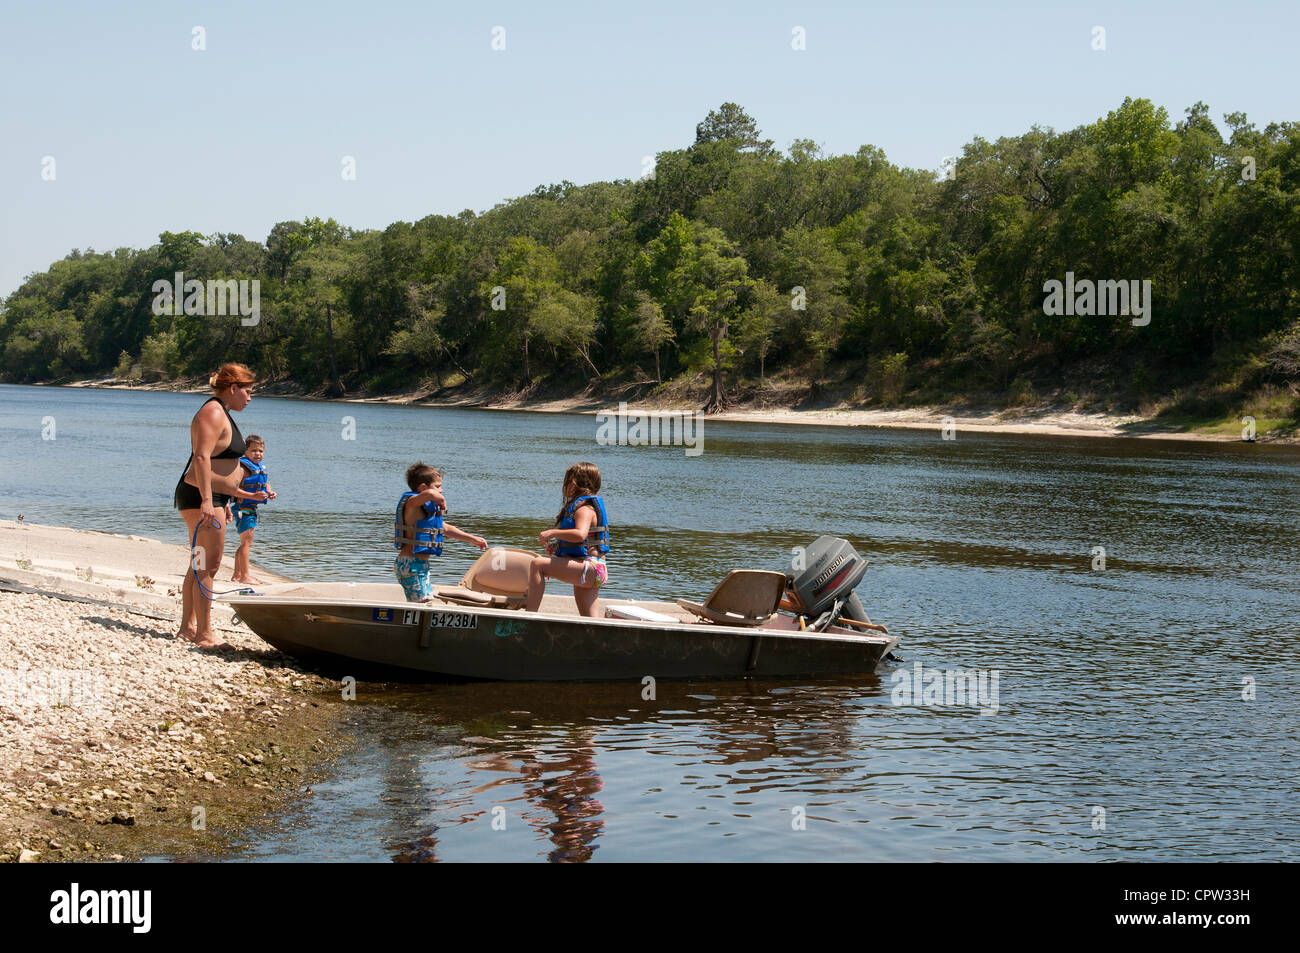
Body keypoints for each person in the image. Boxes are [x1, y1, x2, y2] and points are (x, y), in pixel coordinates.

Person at [173, 363, 268, 648]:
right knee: (209, 567)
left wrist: (225, 500)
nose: (250, 398)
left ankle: (188, 628)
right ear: (233, 388)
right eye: (248, 392)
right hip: (202, 496)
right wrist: (206, 500)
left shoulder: (221, 412)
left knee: (198, 563)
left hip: (213, 497)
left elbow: (217, 461)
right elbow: (201, 458)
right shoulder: (213, 412)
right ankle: (205, 634)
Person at [525, 462, 609, 618]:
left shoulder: (584, 509)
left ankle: (528, 617)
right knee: (590, 619)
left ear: (576, 484)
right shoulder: (586, 506)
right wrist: (559, 546)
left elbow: (580, 534)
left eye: (567, 481)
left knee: (537, 565)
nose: (565, 486)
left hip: (590, 568)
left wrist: (552, 533)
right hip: (595, 570)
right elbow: (582, 541)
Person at [394, 462, 487, 602]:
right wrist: (440, 499)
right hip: (409, 564)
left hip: (420, 565)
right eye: (438, 486)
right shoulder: (412, 503)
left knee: (426, 602)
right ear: (423, 487)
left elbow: (446, 529)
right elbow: (430, 494)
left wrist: (472, 539)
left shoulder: (426, 509)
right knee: (421, 603)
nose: (441, 490)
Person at [230, 434, 276, 585]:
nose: (258, 454)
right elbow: (233, 490)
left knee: (245, 543)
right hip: (243, 508)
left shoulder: (259, 468)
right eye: (253, 451)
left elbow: (265, 482)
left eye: (261, 451)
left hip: (250, 508)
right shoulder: (243, 468)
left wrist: (269, 492)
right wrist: (253, 495)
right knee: (246, 544)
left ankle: (237, 575)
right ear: (245, 452)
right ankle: (245, 576)